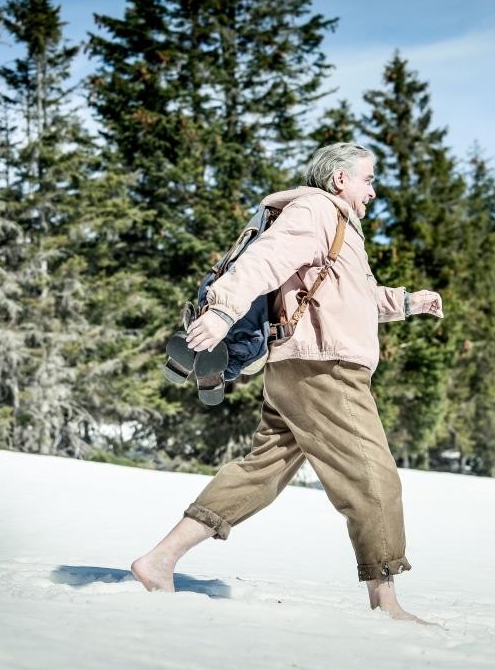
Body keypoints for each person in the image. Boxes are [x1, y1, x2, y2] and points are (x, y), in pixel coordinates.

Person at [130, 142, 443, 624]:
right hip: (326, 371)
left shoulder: (339, 227)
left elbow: (351, 300)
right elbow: (267, 260)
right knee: (373, 476)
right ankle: (387, 604)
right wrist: (221, 310)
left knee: (261, 471)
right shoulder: (318, 209)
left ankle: (159, 560)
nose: (373, 191)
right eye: (368, 179)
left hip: (299, 370)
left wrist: (405, 303)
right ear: (340, 180)